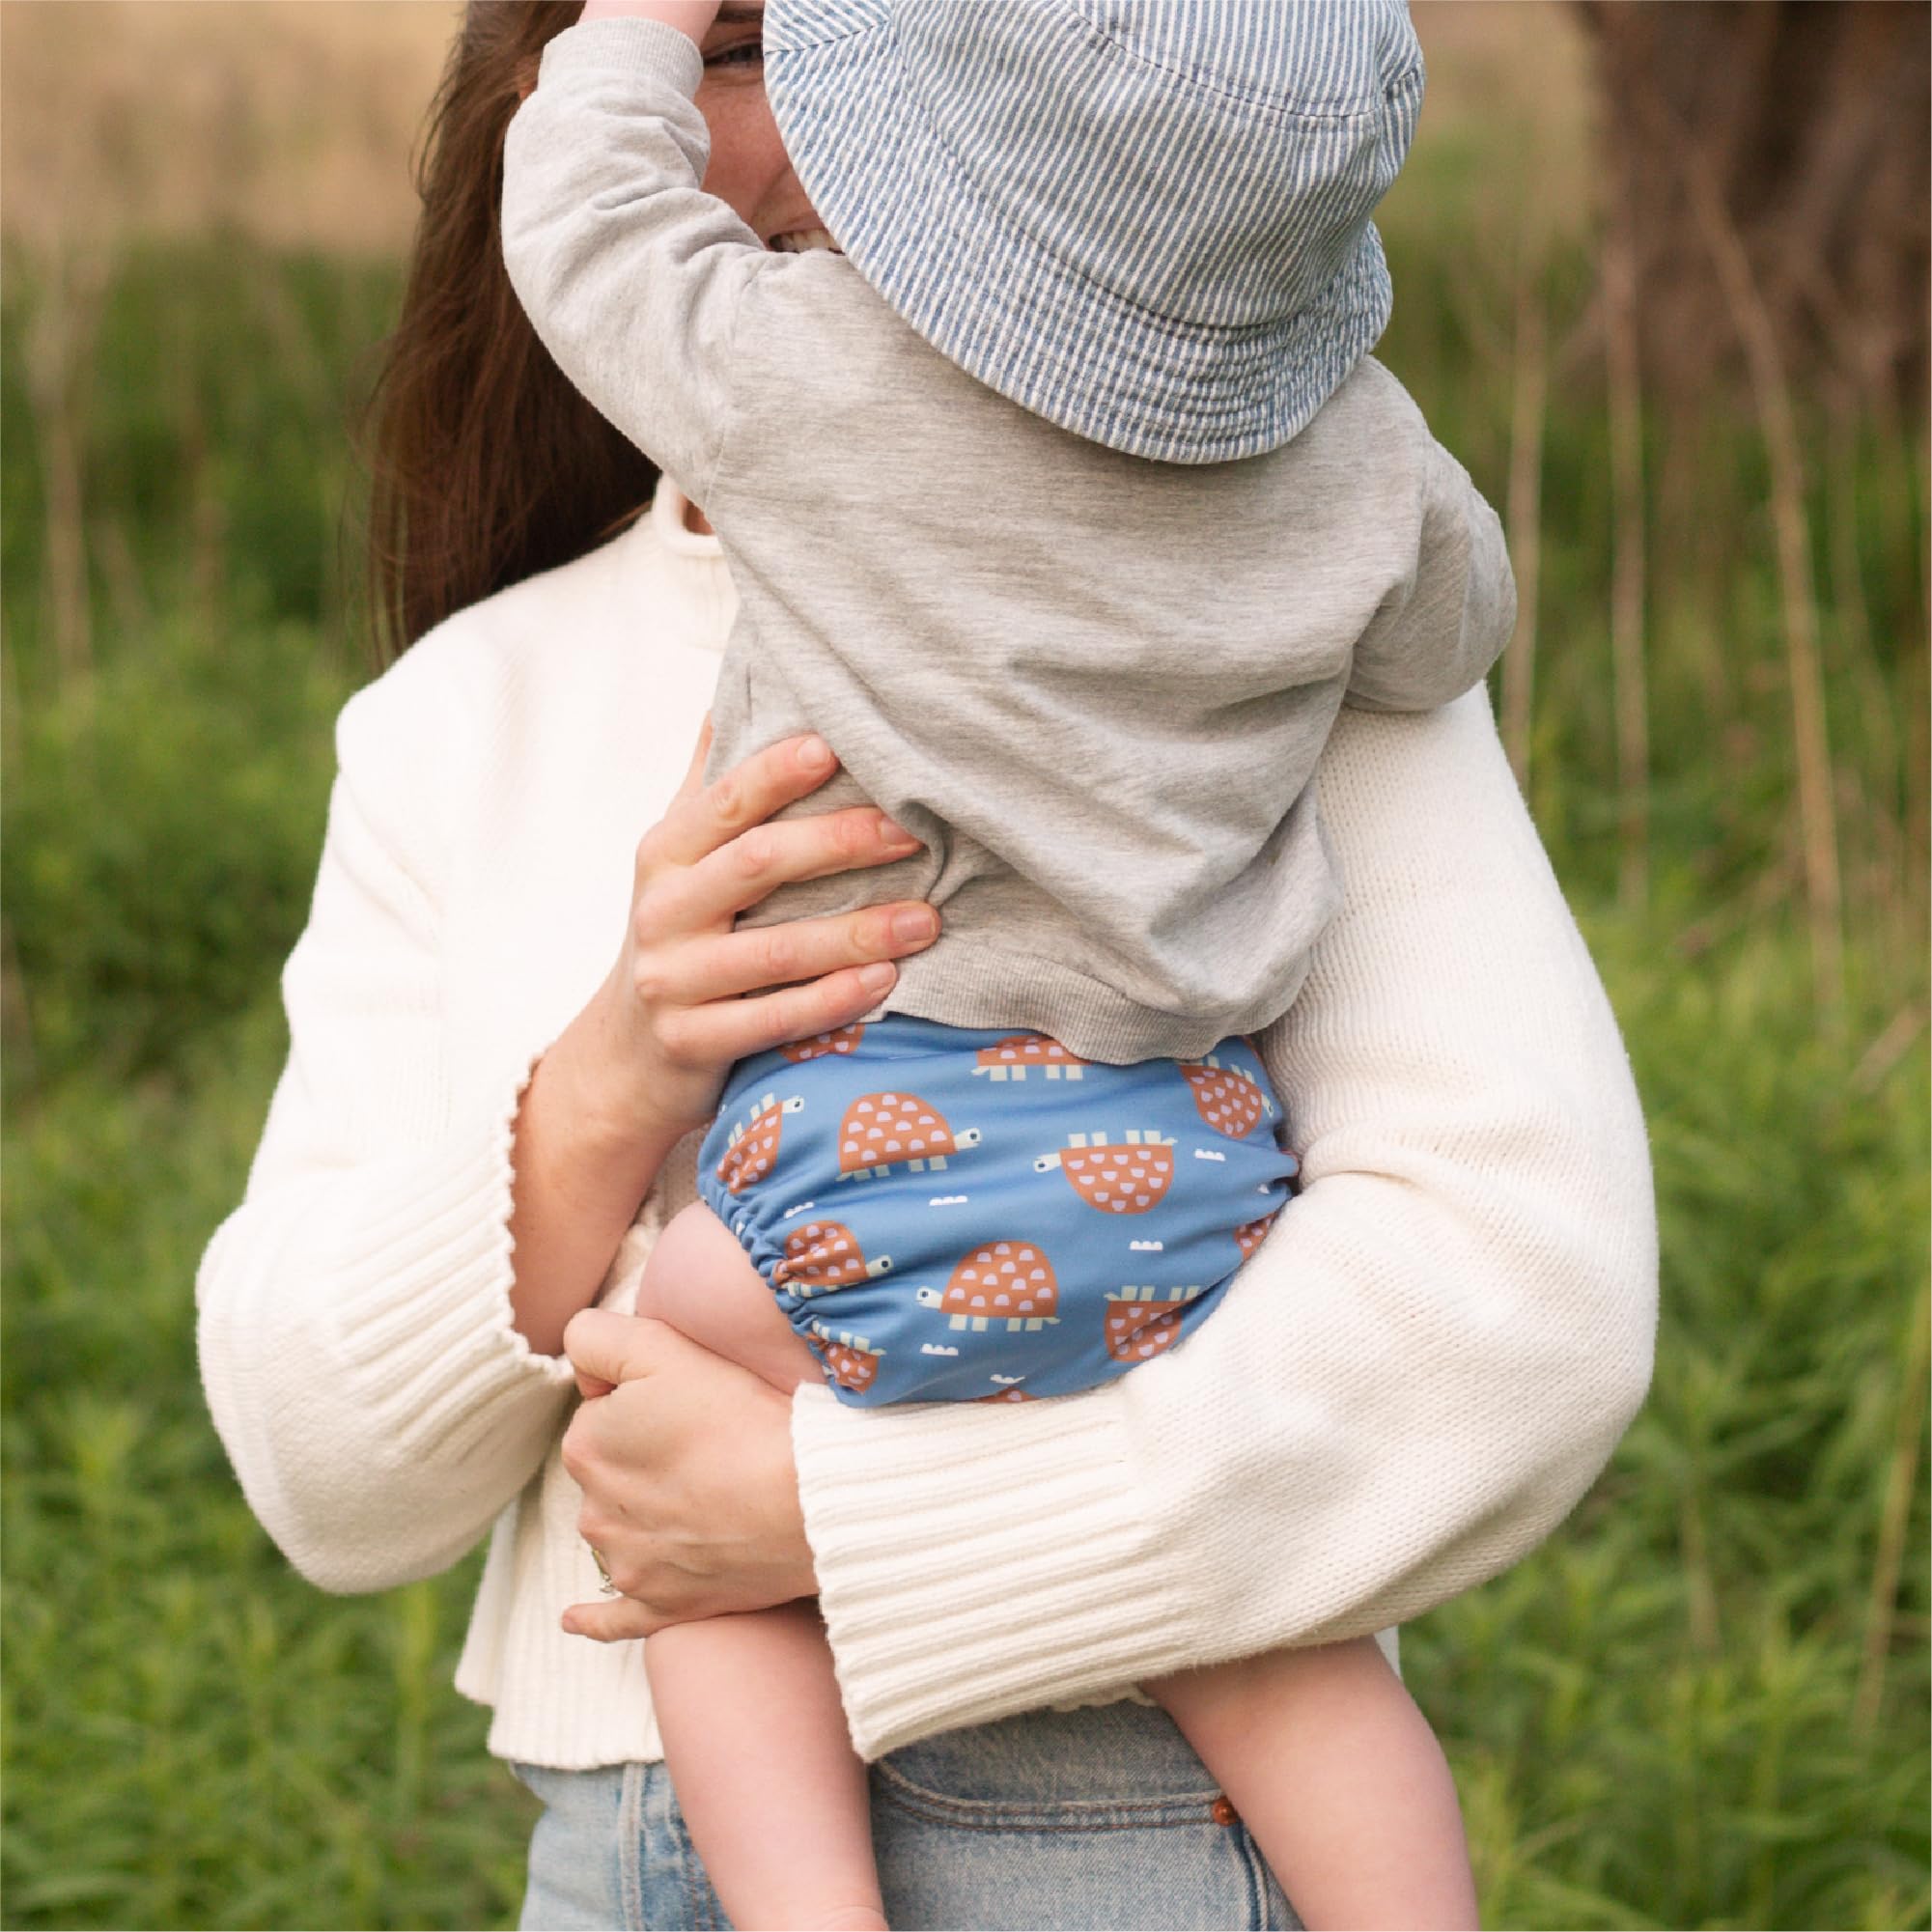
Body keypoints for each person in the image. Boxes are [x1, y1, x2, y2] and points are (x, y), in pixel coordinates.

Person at [194, 4, 1658, 1928]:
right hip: (627, 1851)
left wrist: (824, 1517)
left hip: (1120, 1820)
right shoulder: (465, 709)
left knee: (690, 1316)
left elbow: (1523, 1301)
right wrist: (603, 1085)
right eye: (745, 40)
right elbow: (320, 1476)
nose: (837, 116)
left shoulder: (856, 409)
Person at [495, 0, 1514, 1922]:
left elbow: (586, 226)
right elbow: (1448, 631)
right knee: (1274, 1657)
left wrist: (632, 29)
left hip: (856, 1167)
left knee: (675, 1450)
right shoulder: (1361, 447)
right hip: (1191, 1183)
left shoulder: (804, 370)